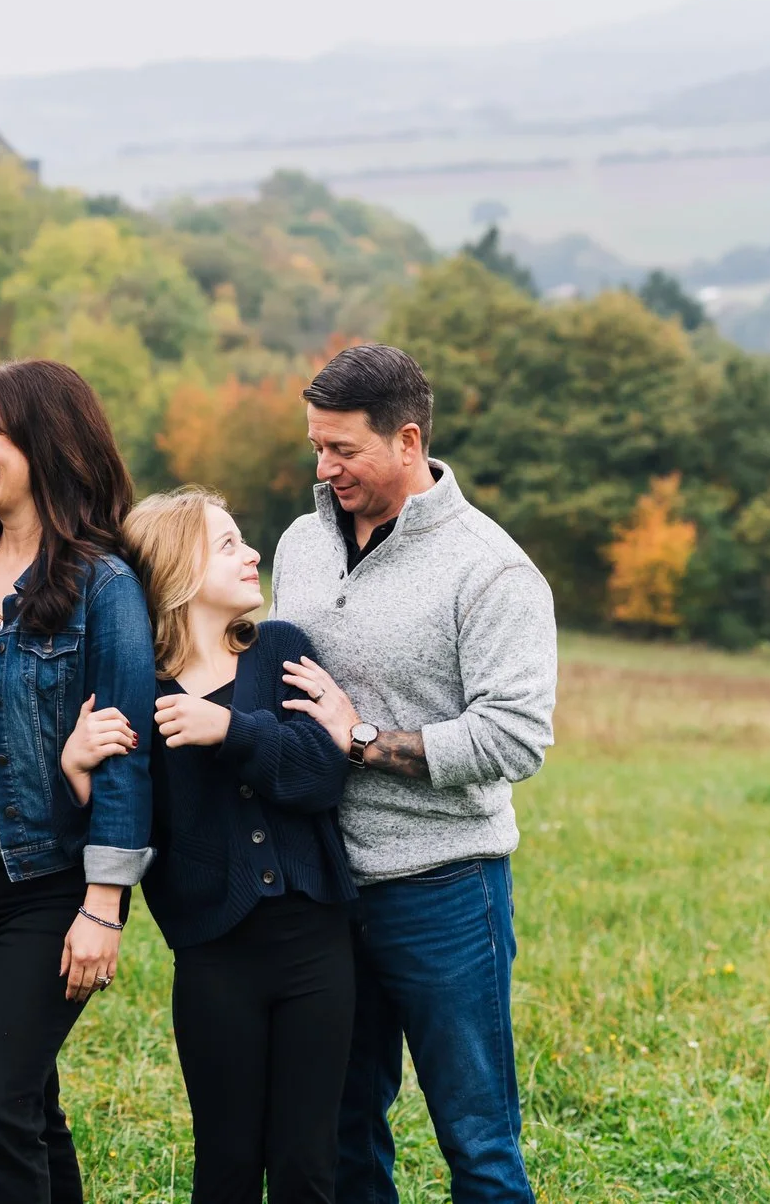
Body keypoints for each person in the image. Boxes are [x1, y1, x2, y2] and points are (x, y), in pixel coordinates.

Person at [266, 343, 558, 1204]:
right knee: (344, 1128)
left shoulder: (491, 569)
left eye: (343, 450)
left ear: (406, 438)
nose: (325, 468)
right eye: (316, 446)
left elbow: (515, 737)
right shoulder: (301, 542)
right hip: (322, 888)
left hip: (444, 890)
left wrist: (360, 738)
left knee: (478, 1140)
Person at [0, 358, 155, 1204]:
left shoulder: (103, 585)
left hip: (42, 886)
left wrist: (104, 903)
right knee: (27, 1103)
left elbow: (126, 751)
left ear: (45, 442)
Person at [96, 487, 358, 1204]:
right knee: (227, 1162)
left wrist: (229, 730)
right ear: (178, 569)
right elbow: (135, 825)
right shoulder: (140, 689)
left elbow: (320, 774)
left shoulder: (279, 650)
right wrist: (76, 771)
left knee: (307, 1162)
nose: (253, 554)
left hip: (315, 947)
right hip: (214, 959)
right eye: (230, 543)